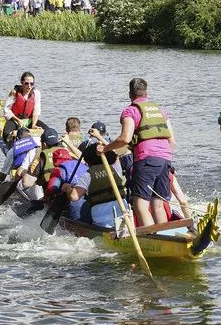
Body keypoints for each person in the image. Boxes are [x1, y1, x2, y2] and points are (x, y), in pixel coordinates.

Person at [99, 78, 174, 227]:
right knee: (158, 204)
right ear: (146, 92)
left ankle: (152, 239)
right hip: (166, 158)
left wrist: (105, 148)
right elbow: (172, 141)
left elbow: (125, 138)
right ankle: (166, 236)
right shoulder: (161, 110)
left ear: (130, 94)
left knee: (140, 205)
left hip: (146, 159)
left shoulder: (131, 111)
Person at [64, 144, 126, 228]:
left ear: (88, 161)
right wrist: (101, 142)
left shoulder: (88, 174)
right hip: (124, 215)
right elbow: (115, 156)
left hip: (102, 219)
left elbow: (74, 196)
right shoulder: (116, 168)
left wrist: (67, 188)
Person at [0, 127, 43, 201]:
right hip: (41, 172)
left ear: (17, 139)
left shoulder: (12, 151)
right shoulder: (38, 141)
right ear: (30, 135)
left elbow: (3, 174)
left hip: (26, 176)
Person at [46, 147, 89, 220]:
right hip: (92, 206)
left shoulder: (59, 170)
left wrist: (46, 198)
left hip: (74, 207)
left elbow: (51, 188)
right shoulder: (84, 166)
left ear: (54, 161)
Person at [2, 72, 44, 141]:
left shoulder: (36, 93)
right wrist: (18, 120)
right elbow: (7, 110)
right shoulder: (14, 93)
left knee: (47, 130)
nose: (29, 86)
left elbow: (36, 110)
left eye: (32, 84)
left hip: (30, 120)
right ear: (22, 83)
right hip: (15, 120)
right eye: (26, 83)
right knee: (6, 133)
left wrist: (33, 125)